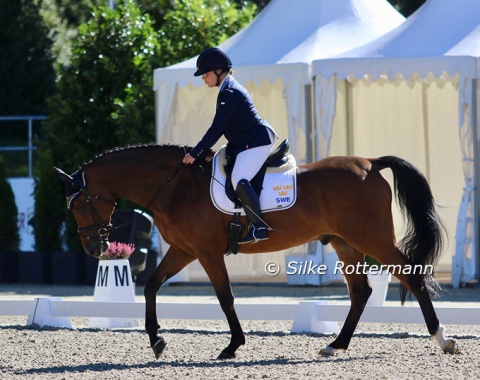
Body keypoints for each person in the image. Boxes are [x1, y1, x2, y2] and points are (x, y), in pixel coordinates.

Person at [182, 47, 277, 244]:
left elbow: (217, 128)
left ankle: (259, 227)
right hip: (245, 142)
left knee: (239, 178)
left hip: (257, 141)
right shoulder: (227, 89)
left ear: (219, 71)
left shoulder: (230, 92)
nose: (203, 79)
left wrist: (195, 153)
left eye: (205, 74)